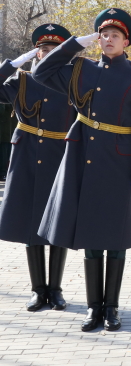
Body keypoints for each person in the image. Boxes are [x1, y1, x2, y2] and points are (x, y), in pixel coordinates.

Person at [32, 7, 131, 332]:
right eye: (104, 34)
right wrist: (74, 43)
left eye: (115, 35)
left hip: (119, 163)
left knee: (113, 237)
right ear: (97, 39)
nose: (109, 39)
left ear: (126, 41)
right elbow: (41, 72)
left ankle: (111, 308)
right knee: (90, 238)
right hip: (83, 158)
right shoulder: (80, 69)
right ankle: (92, 308)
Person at [0, 23, 76, 313]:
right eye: (42, 50)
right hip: (26, 157)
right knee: (30, 224)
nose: (45, 54)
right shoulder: (20, 80)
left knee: (57, 223)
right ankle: (37, 290)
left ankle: (55, 290)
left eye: (52, 51)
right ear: (35, 53)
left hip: (60, 156)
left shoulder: (70, 81)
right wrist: (12, 64)